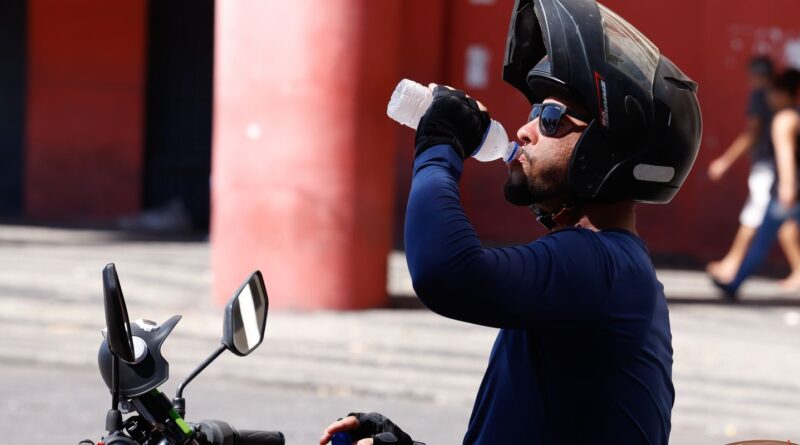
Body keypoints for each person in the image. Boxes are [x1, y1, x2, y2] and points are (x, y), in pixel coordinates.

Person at [319, 0, 701, 444]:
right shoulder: (605, 269)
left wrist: (439, 146)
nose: (525, 129)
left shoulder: (600, 264)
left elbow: (445, 272)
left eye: (552, 119)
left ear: (608, 150)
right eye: (535, 112)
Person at [707, 57, 800, 289]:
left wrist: (787, 188)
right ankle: (734, 281)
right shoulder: (795, 117)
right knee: (774, 234)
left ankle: (733, 280)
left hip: (785, 191)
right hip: (789, 192)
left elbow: (785, 156)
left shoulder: (782, 120)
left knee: (759, 235)